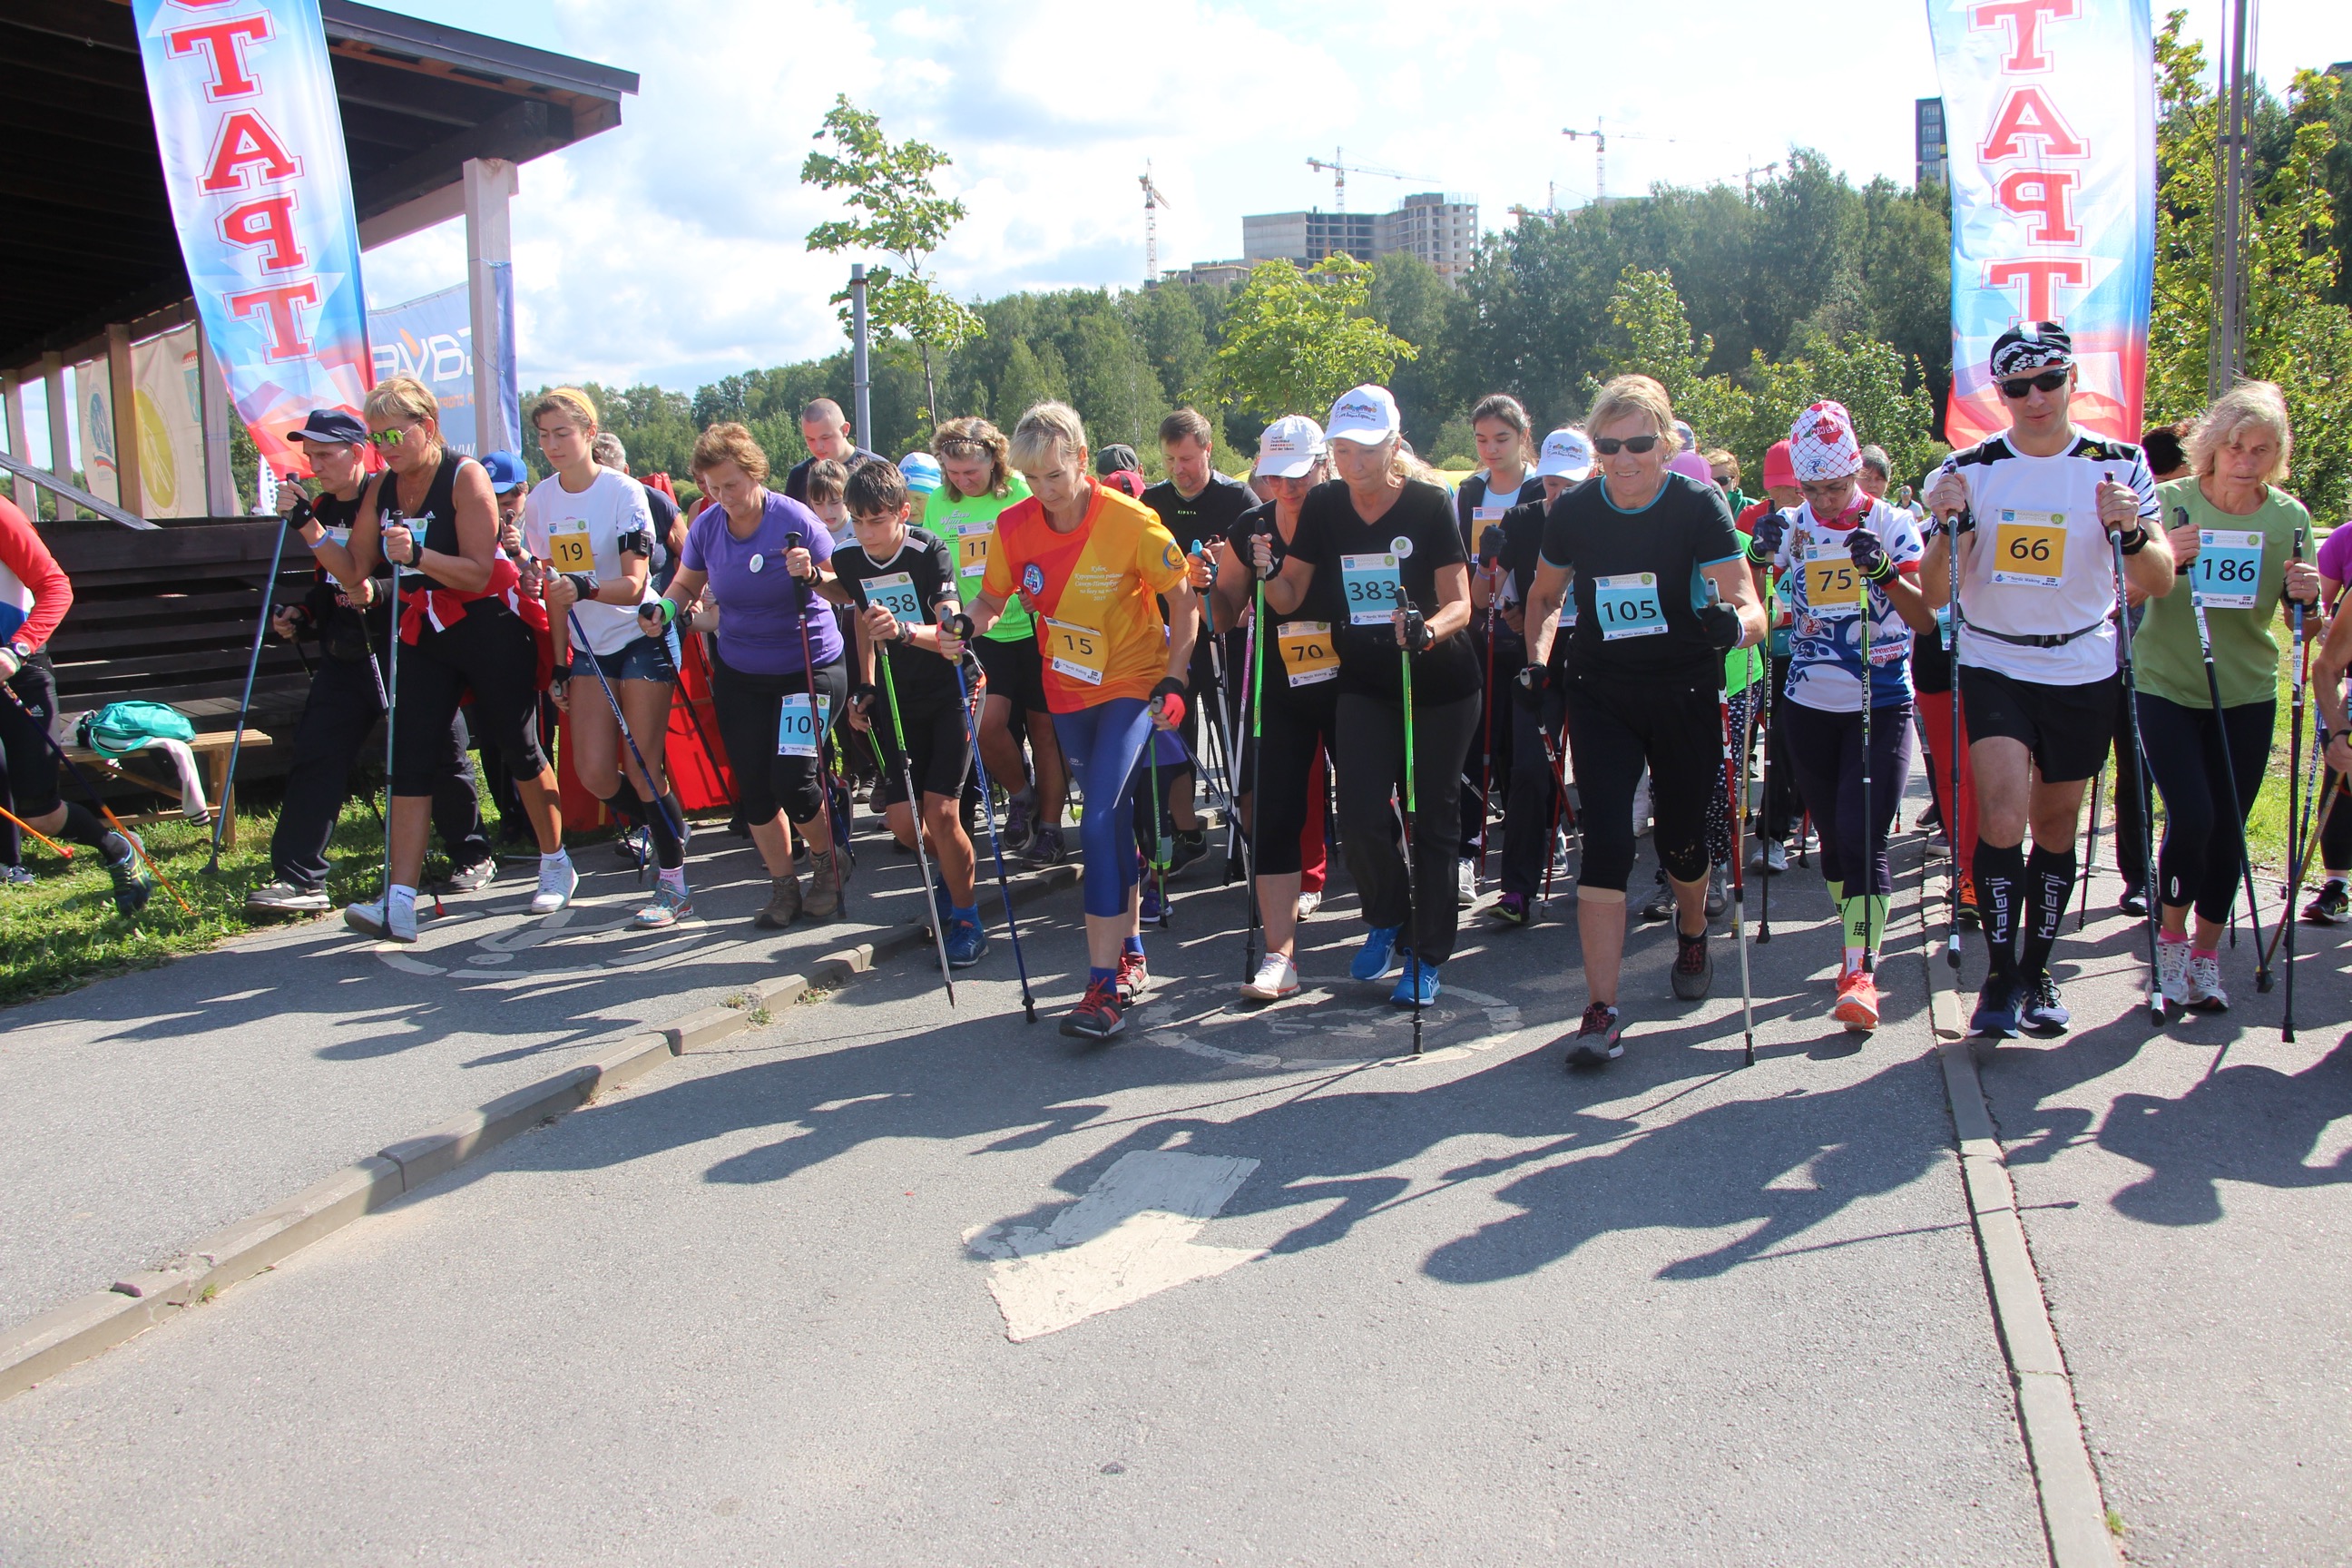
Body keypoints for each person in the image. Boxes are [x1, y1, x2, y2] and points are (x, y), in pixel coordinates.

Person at [1921, 322, 2174, 1038]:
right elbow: (1936, 594)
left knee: (2055, 825)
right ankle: (1999, 977)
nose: (2035, 398)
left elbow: (2155, 579)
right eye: (2017, 387)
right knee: (2002, 816)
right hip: (1996, 658)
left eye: (2048, 381)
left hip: (2082, 662)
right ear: (1999, 393)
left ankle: (2038, 970)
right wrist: (1947, 526)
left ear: (2071, 380)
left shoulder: (2119, 463)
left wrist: (2128, 531)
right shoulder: (1971, 466)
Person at [1523, 375, 1767, 1064]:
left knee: (1684, 842)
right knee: (1606, 841)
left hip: (1684, 689)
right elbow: (1544, 598)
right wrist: (1537, 662)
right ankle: (1600, 1009)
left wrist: (1733, 627)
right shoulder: (1574, 512)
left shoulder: (1697, 504)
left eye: (1638, 443)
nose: (1623, 458)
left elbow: (1751, 604)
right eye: (1608, 445)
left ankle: (1692, 929)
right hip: (1600, 690)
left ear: (1664, 442)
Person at [965, 402, 1199, 1040]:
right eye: (1032, 479)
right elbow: (991, 598)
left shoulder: (1130, 521)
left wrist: (1175, 674)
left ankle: (1100, 989)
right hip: (1065, 688)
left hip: (1131, 682)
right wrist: (963, 626)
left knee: (1094, 819)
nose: (1045, 493)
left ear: (1080, 460)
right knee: (1112, 823)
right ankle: (1129, 952)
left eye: (1056, 477)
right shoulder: (1013, 524)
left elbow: (1184, 597)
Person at [1252, 384, 1479, 1008]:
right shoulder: (1326, 504)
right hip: (1366, 678)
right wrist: (1265, 570)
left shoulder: (1430, 504)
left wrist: (1428, 629)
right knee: (1357, 810)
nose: (1352, 464)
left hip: (1437, 681)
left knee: (1432, 816)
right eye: (1342, 450)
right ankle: (1387, 916)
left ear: (1393, 445)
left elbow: (1461, 601)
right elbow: (1290, 595)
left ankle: (1426, 955)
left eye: (1365, 451)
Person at [342, 375, 570, 942]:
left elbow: (481, 570)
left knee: (518, 746)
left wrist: (419, 553)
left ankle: (555, 861)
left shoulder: (465, 476)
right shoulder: (383, 487)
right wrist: (306, 526)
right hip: (426, 628)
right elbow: (352, 570)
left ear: (429, 427)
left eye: (396, 432)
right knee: (411, 756)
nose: (387, 446)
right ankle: (399, 900)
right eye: (377, 438)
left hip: (486, 625)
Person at [246, 409, 498, 915]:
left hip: (408, 645)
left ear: (356, 452)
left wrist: (376, 592)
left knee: (440, 751)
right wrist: (302, 610)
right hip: (346, 651)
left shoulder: (386, 496)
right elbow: (333, 582)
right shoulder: (319, 507)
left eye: (325, 454)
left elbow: (411, 574)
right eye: (309, 455)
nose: (315, 464)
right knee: (317, 751)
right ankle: (300, 878)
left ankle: (470, 853)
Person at [1747, 402, 1937, 1030]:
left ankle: (1861, 969)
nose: (1827, 501)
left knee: (1863, 834)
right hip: (1808, 704)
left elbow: (1923, 618)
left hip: (1879, 702)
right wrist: (1757, 560)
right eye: (1814, 489)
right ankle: (1852, 943)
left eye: (1838, 486)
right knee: (1833, 842)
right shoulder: (1792, 526)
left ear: (1857, 471)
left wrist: (1882, 571)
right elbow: (1757, 609)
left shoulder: (1894, 522)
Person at [2132, 383, 2318, 1010]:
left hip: (2245, 690)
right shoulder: (2171, 504)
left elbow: (2306, 628)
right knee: (2194, 816)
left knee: (2230, 831)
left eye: (2260, 450)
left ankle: (2207, 956)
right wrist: (2164, 563)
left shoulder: (2289, 519)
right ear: (2213, 446)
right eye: (2235, 446)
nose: (2245, 459)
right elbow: (2123, 593)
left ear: (2276, 455)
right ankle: (2170, 938)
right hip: (2167, 683)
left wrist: (2306, 597)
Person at [655, 422, 850, 928]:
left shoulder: (794, 519)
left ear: (755, 475)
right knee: (756, 788)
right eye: (712, 487)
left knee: (794, 780)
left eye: (731, 486)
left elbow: (844, 592)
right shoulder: (706, 527)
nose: (722, 497)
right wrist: (664, 609)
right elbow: (683, 585)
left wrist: (811, 574)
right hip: (741, 670)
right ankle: (783, 884)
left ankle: (829, 864)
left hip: (808, 667)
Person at [526, 388, 687, 928]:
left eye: (562, 434)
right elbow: (551, 591)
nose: (551, 445)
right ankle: (664, 822)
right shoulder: (541, 500)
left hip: (640, 634)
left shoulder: (623, 493)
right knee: (595, 771)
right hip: (587, 646)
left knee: (643, 767)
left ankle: (672, 882)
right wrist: (557, 664)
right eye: (544, 435)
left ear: (590, 434)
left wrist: (582, 586)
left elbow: (636, 582)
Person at [822, 460, 987, 967]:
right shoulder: (848, 555)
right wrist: (864, 684)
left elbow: (953, 637)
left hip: (952, 687)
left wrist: (906, 632)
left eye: (876, 520)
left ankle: (966, 918)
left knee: (940, 812)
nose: (866, 532)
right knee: (901, 824)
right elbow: (859, 615)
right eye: (856, 520)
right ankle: (954, 871)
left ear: (902, 512)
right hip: (898, 694)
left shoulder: (928, 551)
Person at [1215, 415, 1334, 999]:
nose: (1286, 488)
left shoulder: (1343, 513)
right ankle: (1280, 954)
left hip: (1348, 680)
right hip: (1279, 684)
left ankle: (1393, 923)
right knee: (1277, 812)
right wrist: (1203, 583)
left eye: (1298, 475)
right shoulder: (1252, 524)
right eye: (1274, 477)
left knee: (1366, 809)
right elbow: (1223, 608)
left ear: (1322, 464)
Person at [0, 495, 153, 906]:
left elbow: (55, 586)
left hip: (19, 671)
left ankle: (117, 849)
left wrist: (16, 650)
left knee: (40, 814)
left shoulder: (1, 513)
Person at [927, 416, 1064, 863]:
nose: (963, 480)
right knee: (985, 726)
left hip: (1032, 630)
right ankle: (1022, 792)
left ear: (994, 460)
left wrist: (1035, 590)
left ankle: (1050, 827)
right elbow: (940, 573)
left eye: (972, 471)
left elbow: (1046, 554)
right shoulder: (936, 504)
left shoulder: (1021, 495)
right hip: (982, 633)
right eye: (953, 471)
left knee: (1045, 731)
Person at [1487, 426, 1595, 926]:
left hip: (1599, 654)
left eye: (1570, 486)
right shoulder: (1524, 518)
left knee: (1598, 768)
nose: (1559, 496)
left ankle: (1600, 873)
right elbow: (1489, 594)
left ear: (1592, 477)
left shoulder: (1610, 519)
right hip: (1538, 656)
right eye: (1552, 485)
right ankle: (1517, 890)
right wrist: (1490, 563)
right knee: (1529, 769)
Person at [1142, 408, 1255, 873]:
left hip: (1227, 631)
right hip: (1173, 638)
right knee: (1174, 735)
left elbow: (1254, 573)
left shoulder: (1236, 497)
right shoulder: (1152, 501)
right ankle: (1186, 830)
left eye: (1186, 458)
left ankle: (1248, 835)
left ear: (1208, 450)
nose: (1178, 470)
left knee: (1237, 735)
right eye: (1170, 460)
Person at [1455, 394, 1541, 905]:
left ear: (1522, 435)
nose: (1490, 450)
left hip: (1529, 627)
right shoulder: (1469, 490)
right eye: (1482, 440)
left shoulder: (1540, 485)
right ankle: (1467, 849)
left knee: (1520, 746)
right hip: (1479, 628)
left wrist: (1524, 607)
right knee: (1474, 741)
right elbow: (1463, 560)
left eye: (1501, 439)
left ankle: (1531, 841)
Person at [1738, 440, 1803, 868]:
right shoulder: (1749, 518)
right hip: (1759, 648)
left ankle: (1776, 829)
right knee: (1761, 739)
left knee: (1786, 742)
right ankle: (1764, 827)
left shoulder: (1818, 520)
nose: (1791, 498)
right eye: (1783, 489)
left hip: (1805, 647)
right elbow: (1742, 573)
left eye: (1795, 488)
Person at [783, 399, 882, 506]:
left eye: (825, 438)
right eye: (810, 439)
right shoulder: (799, 475)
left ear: (845, 430)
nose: (818, 447)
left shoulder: (877, 470)